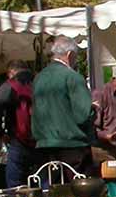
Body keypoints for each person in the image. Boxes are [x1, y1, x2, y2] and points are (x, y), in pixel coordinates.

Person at [32, 36, 95, 176]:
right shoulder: (72, 77)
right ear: (70, 55)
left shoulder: (39, 78)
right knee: (81, 192)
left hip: (45, 146)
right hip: (72, 146)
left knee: (54, 192)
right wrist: (93, 109)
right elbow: (83, 115)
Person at [0, 59, 37, 188]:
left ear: (11, 72)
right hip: (41, 141)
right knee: (42, 181)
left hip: (18, 140)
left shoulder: (11, 85)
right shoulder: (40, 82)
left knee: (15, 184)